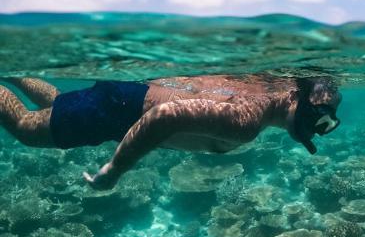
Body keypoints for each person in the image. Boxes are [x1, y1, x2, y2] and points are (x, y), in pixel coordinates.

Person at [0, 74, 341, 190]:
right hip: (117, 111)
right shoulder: (246, 122)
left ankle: (13, 70)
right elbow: (166, 114)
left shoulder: (256, 109)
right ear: (294, 95)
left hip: (122, 103)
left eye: (325, 122)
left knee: (60, 103)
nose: (317, 126)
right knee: (25, 128)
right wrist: (115, 170)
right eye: (317, 114)